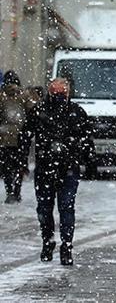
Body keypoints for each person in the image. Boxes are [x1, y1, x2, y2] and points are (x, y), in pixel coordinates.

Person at [26, 78, 93, 265]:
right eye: (57, 92)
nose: (59, 96)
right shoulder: (43, 112)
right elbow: (25, 136)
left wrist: (87, 159)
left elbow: (87, 140)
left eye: (61, 93)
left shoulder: (72, 113)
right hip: (53, 168)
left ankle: (62, 244)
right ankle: (54, 243)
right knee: (53, 209)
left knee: (59, 208)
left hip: (62, 168)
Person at [0, 71, 31, 203]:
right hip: (21, 136)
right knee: (20, 164)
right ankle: (17, 190)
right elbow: (31, 113)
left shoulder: (1, 96)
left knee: (6, 166)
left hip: (4, 136)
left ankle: (9, 192)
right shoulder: (24, 95)